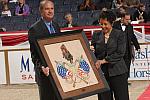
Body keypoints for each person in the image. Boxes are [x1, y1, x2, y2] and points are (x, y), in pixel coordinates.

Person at [90, 11, 129, 100]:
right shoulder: (96, 35)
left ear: (112, 23)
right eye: (101, 24)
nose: (103, 26)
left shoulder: (120, 34)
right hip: (102, 74)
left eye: (105, 24)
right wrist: (91, 50)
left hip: (118, 72)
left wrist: (103, 61)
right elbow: (93, 54)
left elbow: (120, 53)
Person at [28, 0, 60, 100]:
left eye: (52, 8)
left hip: (58, 71)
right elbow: (34, 55)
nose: (50, 11)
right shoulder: (34, 29)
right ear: (41, 11)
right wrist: (42, 67)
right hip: (45, 73)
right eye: (47, 9)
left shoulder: (56, 26)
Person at [113, 12, 140, 79]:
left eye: (129, 19)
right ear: (122, 18)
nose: (129, 21)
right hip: (118, 52)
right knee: (119, 69)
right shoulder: (115, 25)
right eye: (127, 19)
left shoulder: (130, 26)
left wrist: (137, 47)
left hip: (127, 52)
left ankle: (125, 81)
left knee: (127, 68)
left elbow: (133, 37)